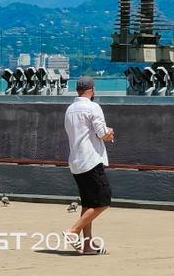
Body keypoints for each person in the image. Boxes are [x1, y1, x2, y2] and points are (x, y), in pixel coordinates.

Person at [63, 76, 115, 255]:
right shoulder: (93, 107)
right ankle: (73, 231)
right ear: (92, 90)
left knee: (88, 203)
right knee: (103, 201)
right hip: (91, 160)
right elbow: (102, 133)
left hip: (76, 161)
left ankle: (87, 246)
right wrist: (109, 133)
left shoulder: (70, 109)